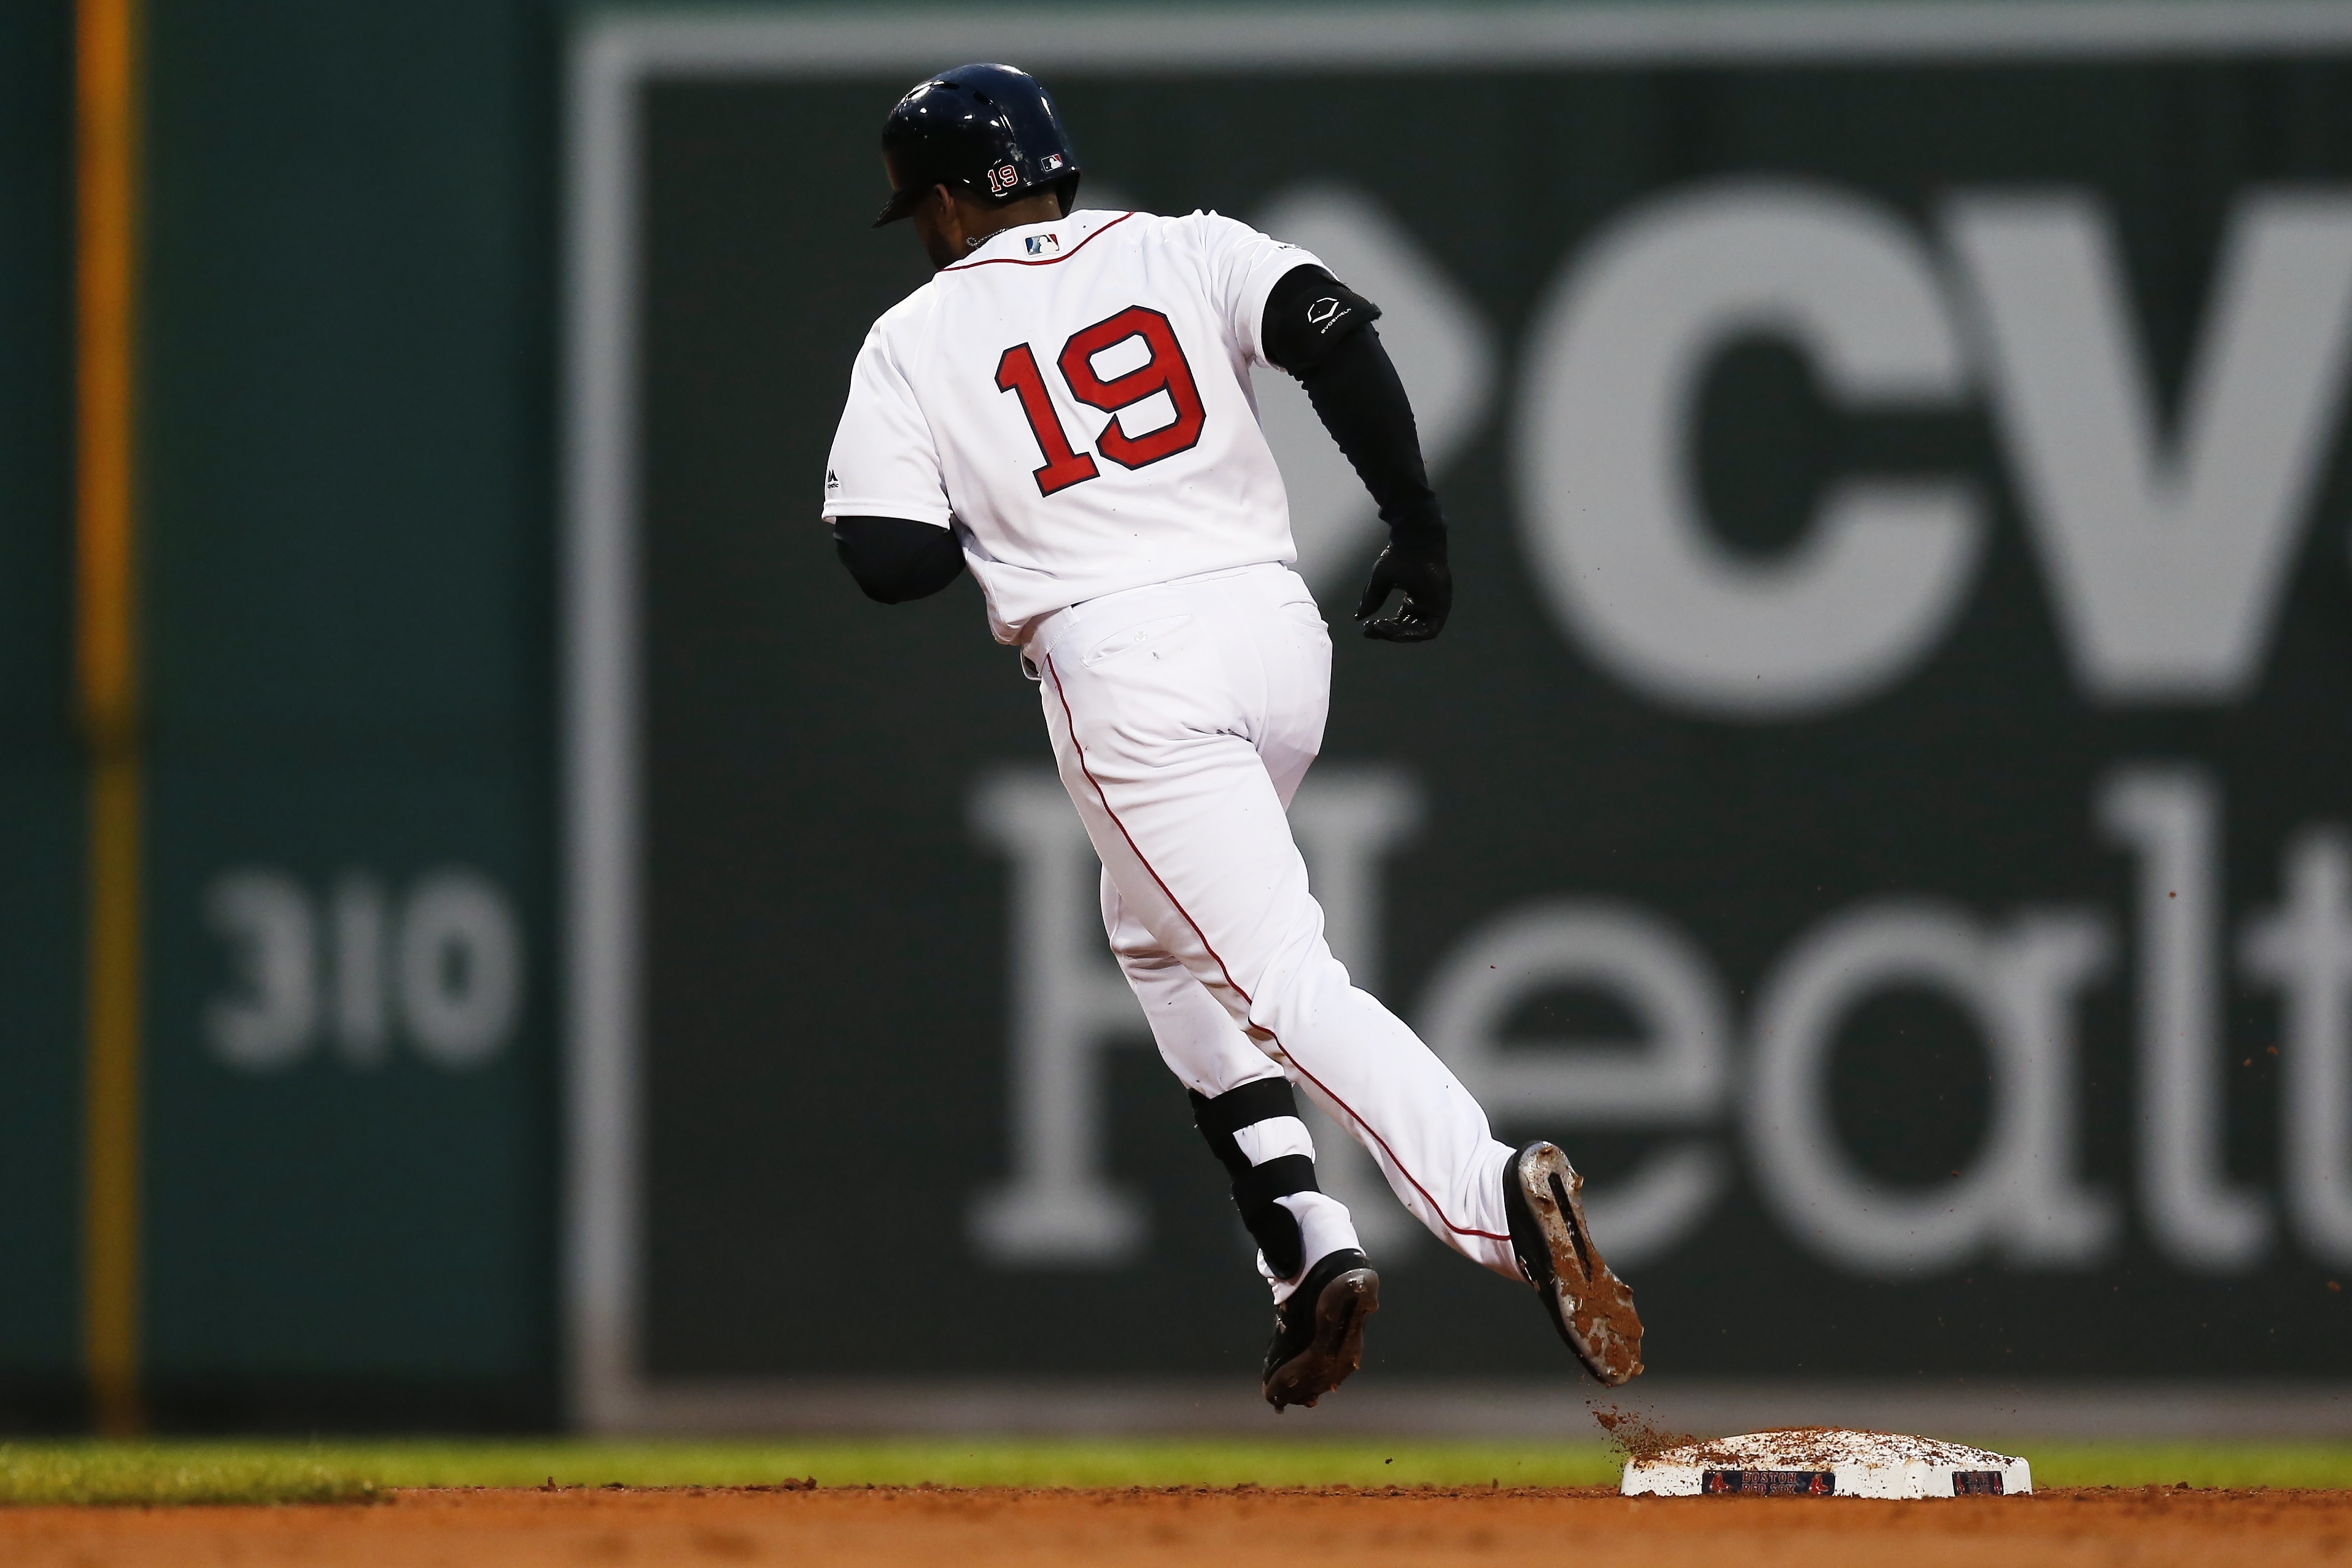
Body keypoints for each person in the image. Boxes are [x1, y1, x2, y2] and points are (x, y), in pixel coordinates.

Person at [824, 63, 1643, 1410]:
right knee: (1152, 932)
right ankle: (1306, 1246)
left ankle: (1492, 1196)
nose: (925, 230)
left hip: (1124, 663)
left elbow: (886, 559)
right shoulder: (1187, 247)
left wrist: (993, 507)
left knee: (1275, 972)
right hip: (1274, 635)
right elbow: (1334, 330)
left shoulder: (915, 336)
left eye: (924, 205)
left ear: (963, 195)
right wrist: (1417, 527)